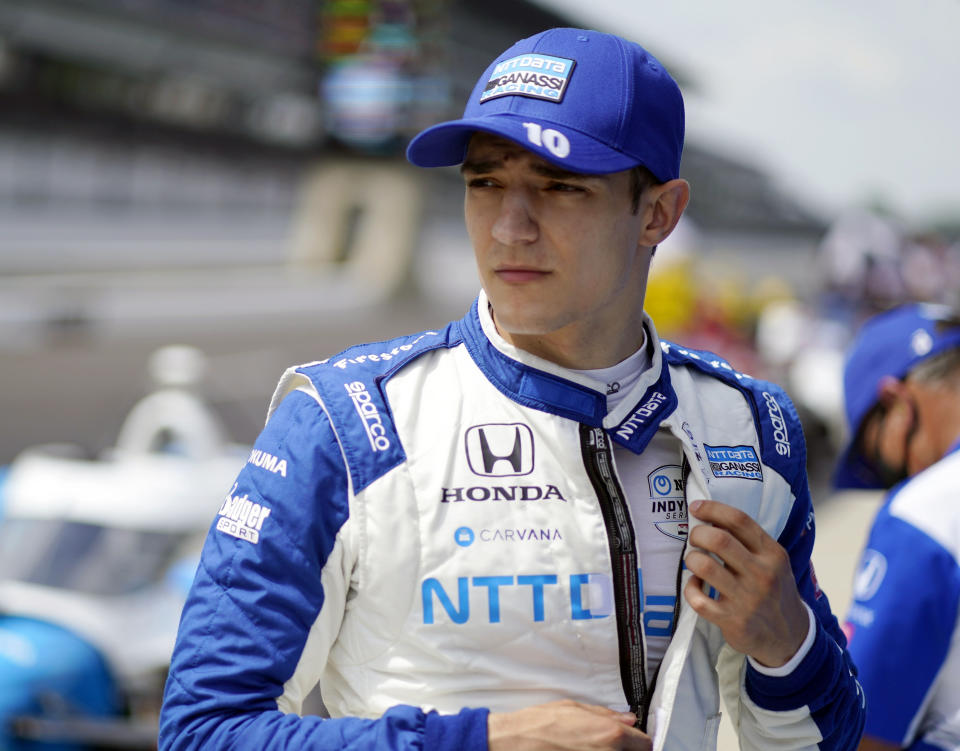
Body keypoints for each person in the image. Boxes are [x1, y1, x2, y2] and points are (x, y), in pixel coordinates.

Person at [159, 27, 865, 751]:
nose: (508, 227)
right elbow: (202, 731)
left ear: (658, 213)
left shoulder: (750, 428)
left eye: (559, 187)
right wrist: (484, 742)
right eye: (485, 182)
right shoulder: (348, 425)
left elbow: (827, 737)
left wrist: (792, 650)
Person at [834, 303, 960, 750]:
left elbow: (867, 730)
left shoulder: (927, 509)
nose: (895, 481)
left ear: (896, 402)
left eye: (879, 464)